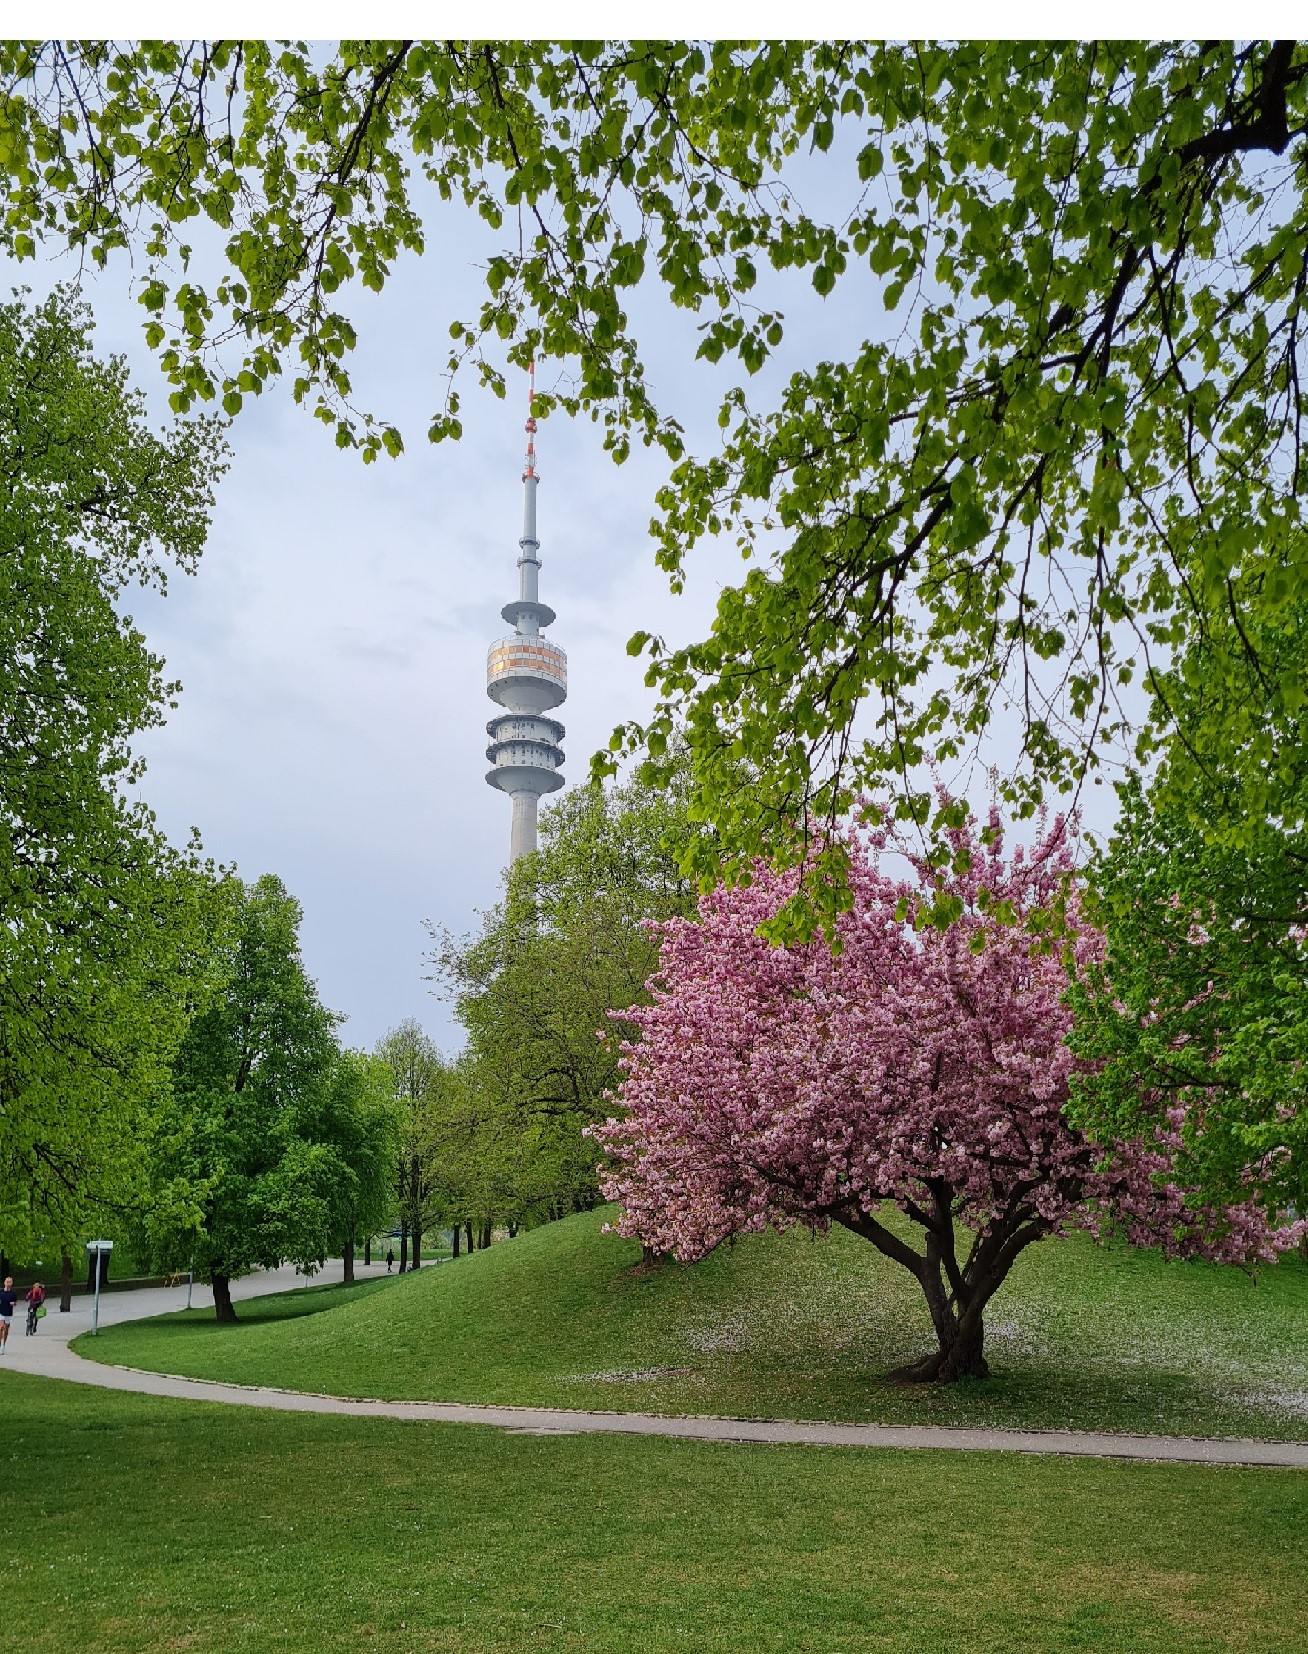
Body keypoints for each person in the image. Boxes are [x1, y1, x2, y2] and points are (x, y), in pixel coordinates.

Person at [0, 1277, 15, 1352]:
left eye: (10, 1282)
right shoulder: (0, 1291)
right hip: (0, 1312)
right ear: (4, 1282)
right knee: (1, 1327)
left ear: (11, 1283)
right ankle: (0, 1344)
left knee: (6, 1329)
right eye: (7, 1282)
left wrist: (13, 1303)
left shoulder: (12, 1294)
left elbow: (14, 1302)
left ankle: (3, 1345)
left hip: (8, 1313)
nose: (8, 1283)